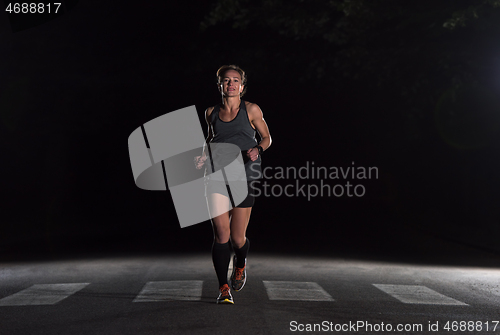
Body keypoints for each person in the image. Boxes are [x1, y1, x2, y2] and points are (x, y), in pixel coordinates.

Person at [194, 65, 272, 304]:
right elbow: (211, 139)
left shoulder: (251, 110)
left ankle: (240, 262)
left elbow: (267, 138)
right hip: (216, 175)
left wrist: (257, 149)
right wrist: (203, 156)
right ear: (219, 85)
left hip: (244, 176)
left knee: (238, 239)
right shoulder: (211, 112)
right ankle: (223, 288)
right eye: (226, 81)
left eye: (235, 80)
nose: (231, 84)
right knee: (221, 235)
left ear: (242, 85)